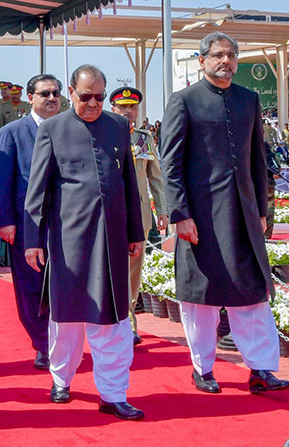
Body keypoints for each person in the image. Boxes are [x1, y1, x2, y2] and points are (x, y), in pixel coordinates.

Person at [159, 32, 289, 396]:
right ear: (201, 60)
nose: (226, 61)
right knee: (200, 298)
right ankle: (202, 368)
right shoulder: (183, 100)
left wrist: (262, 211)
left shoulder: (248, 100)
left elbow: (256, 159)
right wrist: (180, 214)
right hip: (200, 217)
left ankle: (262, 369)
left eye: (231, 55)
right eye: (217, 55)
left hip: (243, 216)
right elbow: (171, 164)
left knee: (252, 293)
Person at [24, 64, 145, 420]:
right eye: (85, 96)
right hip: (68, 241)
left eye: (99, 97)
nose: (93, 104)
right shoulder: (52, 128)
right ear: (71, 94)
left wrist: (135, 232)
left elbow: (128, 186)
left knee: (112, 320)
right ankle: (61, 379)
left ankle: (113, 393)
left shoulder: (119, 126)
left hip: (111, 240)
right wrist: (34, 240)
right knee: (67, 320)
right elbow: (38, 190)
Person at [0, 73, 63, 371]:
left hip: (65, 223)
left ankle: (61, 341)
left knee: (62, 285)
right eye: (44, 93)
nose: (51, 99)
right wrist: (5, 220)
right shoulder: (12, 132)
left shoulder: (69, 128)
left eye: (55, 93)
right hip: (26, 224)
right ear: (30, 98)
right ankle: (42, 344)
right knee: (32, 286)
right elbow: (1, 179)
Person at [108, 86, 168, 346]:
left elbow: (156, 176)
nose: (129, 112)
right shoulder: (103, 133)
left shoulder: (144, 138)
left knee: (134, 270)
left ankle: (128, 320)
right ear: (113, 108)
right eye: (123, 107)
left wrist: (163, 209)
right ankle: (107, 317)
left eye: (132, 107)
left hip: (139, 213)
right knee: (109, 268)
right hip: (108, 213)